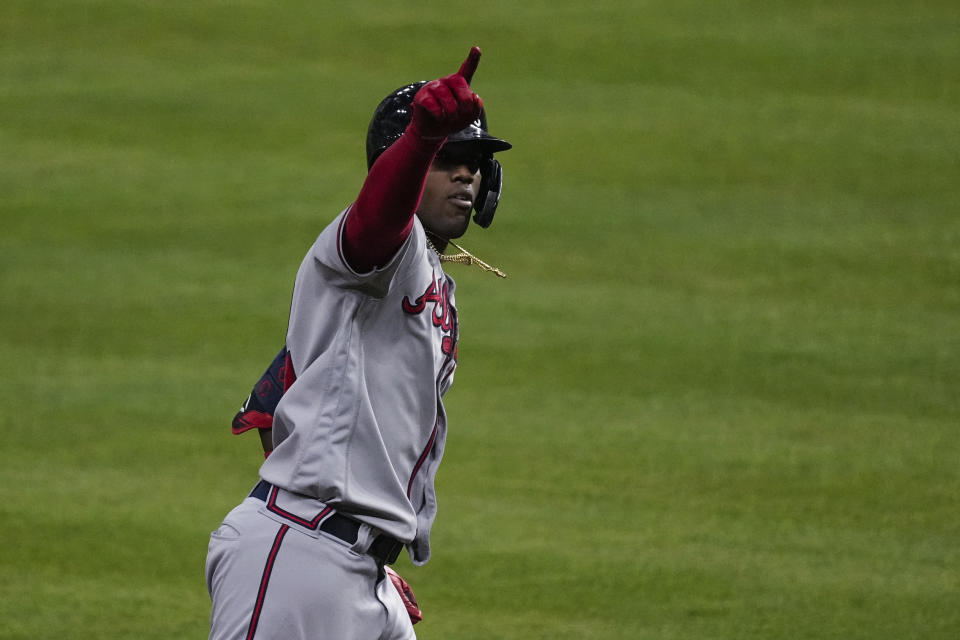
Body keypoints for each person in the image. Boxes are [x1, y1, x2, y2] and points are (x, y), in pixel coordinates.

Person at [205, 46, 512, 640]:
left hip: (350, 568)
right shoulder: (374, 252)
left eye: (473, 159)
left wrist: (359, 547)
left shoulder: (426, 277)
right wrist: (422, 137)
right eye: (447, 158)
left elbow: (273, 408)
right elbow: (375, 223)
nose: (466, 173)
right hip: (299, 558)